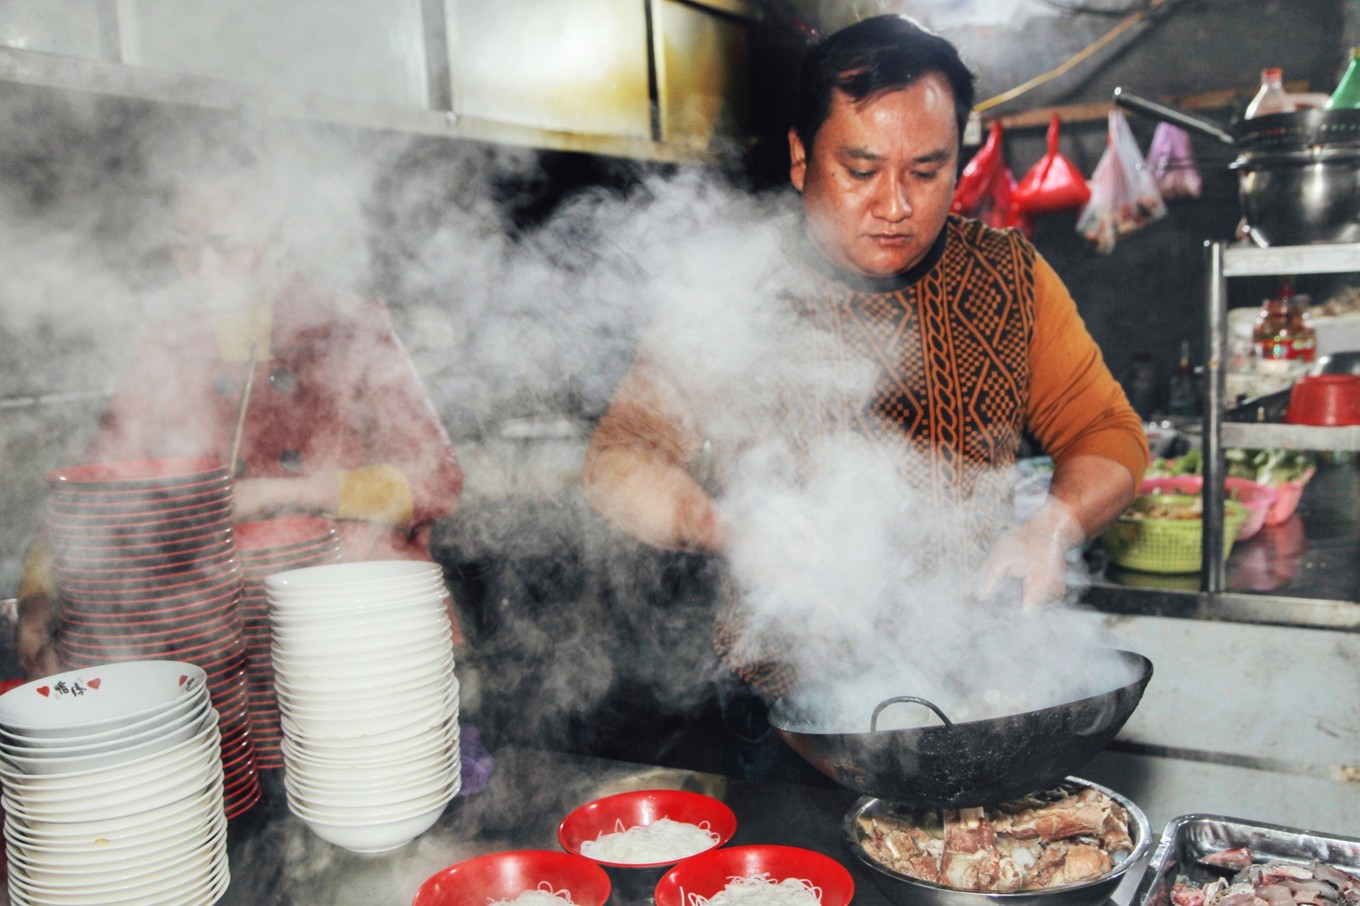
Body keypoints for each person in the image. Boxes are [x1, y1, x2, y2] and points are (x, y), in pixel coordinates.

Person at [581, 15, 1147, 773]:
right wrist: (731, 526)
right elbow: (620, 460)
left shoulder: (1012, 279)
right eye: (860, 169)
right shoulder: (732, 288)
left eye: (926, 170)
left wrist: (1054, 524)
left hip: (970, 693)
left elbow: (1108, 434)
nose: (895, 204)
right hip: (787, 720)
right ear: (799, 157)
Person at [15, 162, 464, 679]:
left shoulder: (348, 326)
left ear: (278, 241)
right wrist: (38, 600)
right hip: (217, 635)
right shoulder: (166, 346)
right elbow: (93, 494)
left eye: (225, 248)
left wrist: (280, 493)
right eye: (184, 246)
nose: (200, 269)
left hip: (357, 624)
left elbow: (439, 481)